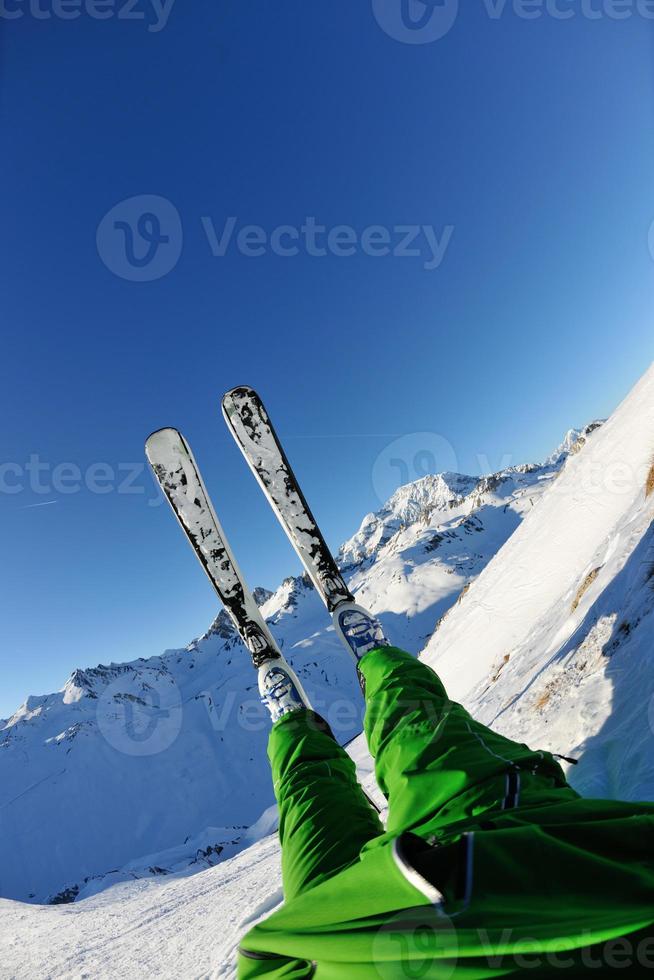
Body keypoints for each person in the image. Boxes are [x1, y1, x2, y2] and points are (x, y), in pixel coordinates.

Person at [237, 605, 654, 978]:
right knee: (418, 727)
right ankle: (379, 660)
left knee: (309, 801)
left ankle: (292, 723)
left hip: (329, 942)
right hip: (502, 848)